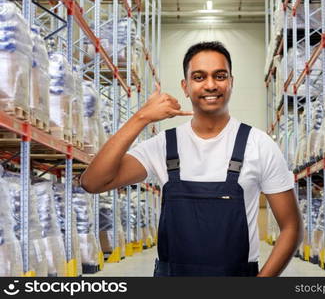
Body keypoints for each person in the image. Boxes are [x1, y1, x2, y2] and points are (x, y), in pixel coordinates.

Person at [81, 41, 303, 277]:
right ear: (185, 87)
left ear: (231, 83)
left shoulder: (259, 145)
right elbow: (93, 182)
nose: (210, 85)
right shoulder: (164, 146)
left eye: (220, 76)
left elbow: (291, 228)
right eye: (199, 77)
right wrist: (141, 117)